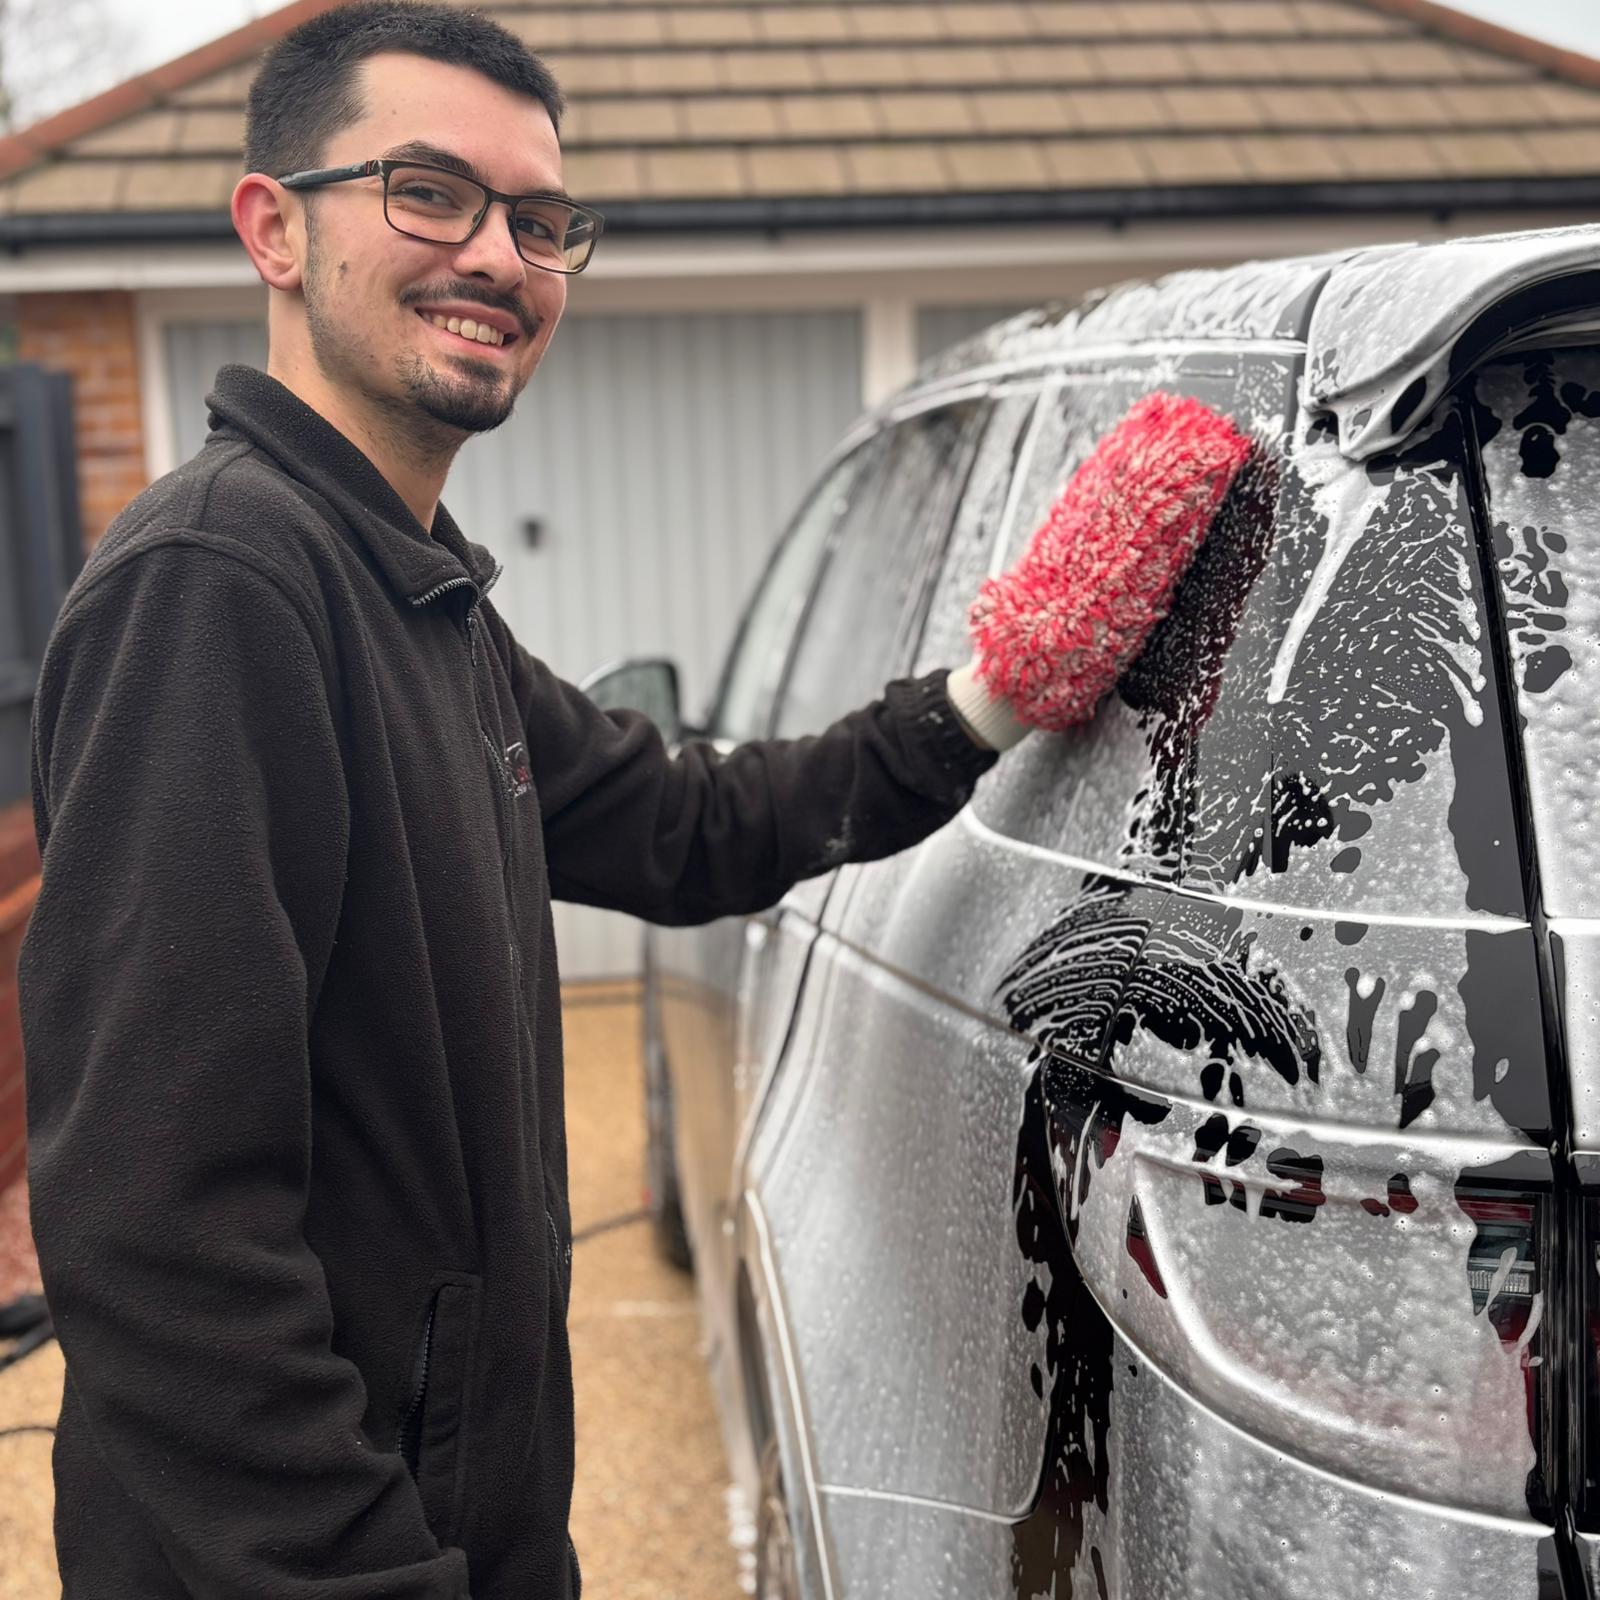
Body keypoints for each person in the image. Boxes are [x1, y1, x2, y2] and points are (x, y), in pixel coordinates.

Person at [18, 4, 1209, 1597]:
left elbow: (688, 823)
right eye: (427, 193)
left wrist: (997, 689)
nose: (499, 256)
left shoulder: (419, 600)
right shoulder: (220, 588)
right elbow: (159, 1233)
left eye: (538, 219)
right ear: (274, 229)